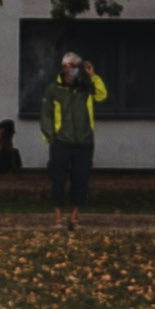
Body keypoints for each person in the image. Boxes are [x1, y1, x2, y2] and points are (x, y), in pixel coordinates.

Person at [44, 51, 106, 229]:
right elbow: (46, 114)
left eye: (76, 66)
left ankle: (74, 217)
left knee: (81, 179)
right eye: (70, 66)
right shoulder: (54, 89)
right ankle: (57, 218)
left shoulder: (86, 87)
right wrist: (50, 136)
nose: (73, 70)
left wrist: (92, 76)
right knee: (58, 178)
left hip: (84, 142)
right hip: (61, 142)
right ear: (63, 67)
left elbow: (101, 95)